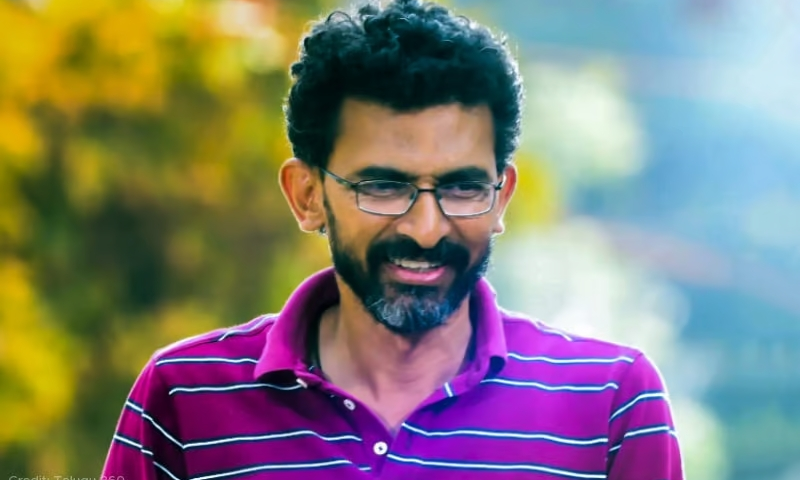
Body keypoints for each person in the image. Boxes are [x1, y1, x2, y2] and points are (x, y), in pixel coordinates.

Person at [101, 0, 684, 478]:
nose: (426, 229)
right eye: (381, 187)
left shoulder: (612, 403)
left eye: (462, 188)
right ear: (307, 196)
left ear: (502, 196)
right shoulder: (184, 398)